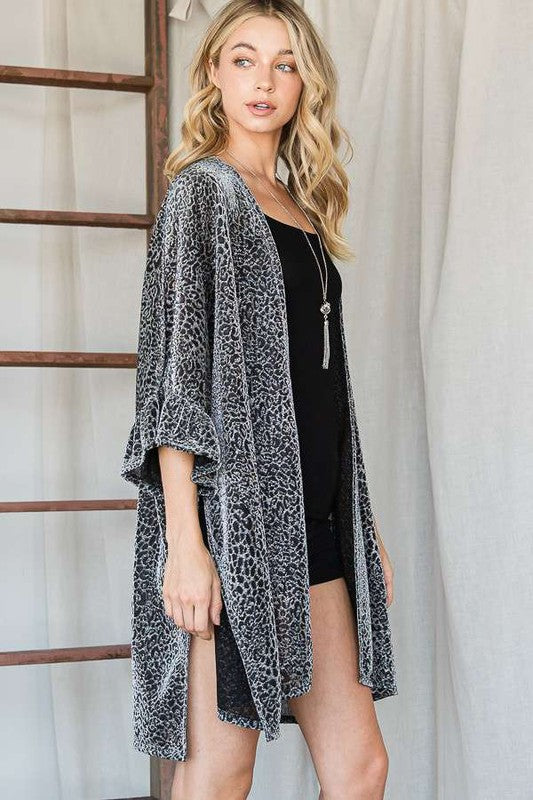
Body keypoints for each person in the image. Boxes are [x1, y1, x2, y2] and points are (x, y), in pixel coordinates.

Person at [120, 1, 398, 798]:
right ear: (213, 72)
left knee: (359, 769)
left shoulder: (299, 205)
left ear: (304, 83)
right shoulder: (201, 195)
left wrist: (363, 527)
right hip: (229, 526)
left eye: (283, 64)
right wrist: (185, 544)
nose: (263, 81)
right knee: (218, 776)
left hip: (315, 527)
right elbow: (173, 383)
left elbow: (321, 387)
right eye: (243, 59)